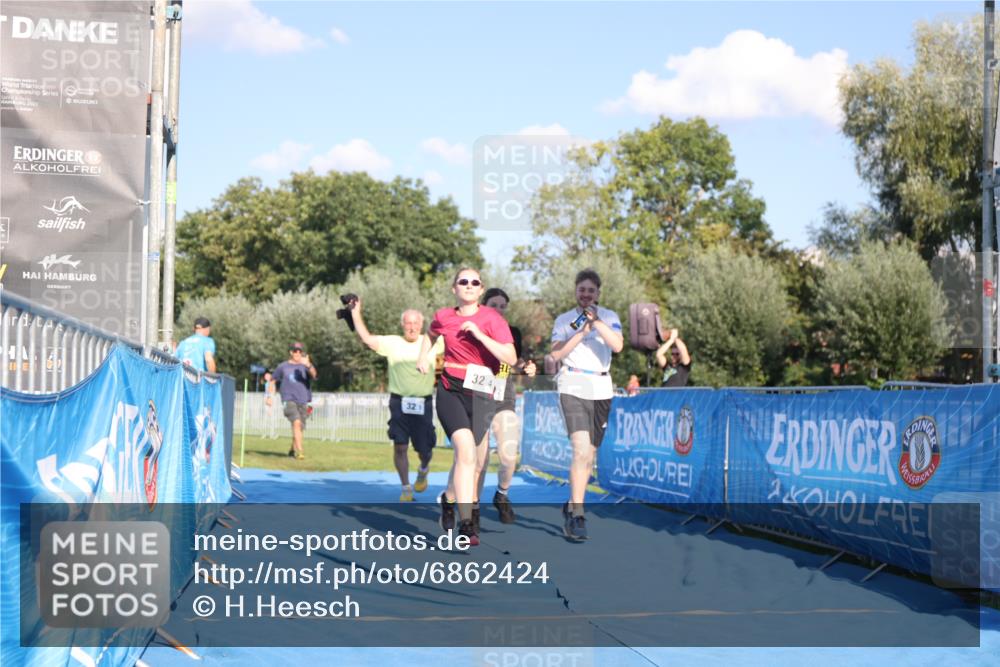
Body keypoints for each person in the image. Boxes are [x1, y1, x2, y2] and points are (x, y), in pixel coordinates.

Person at [417, 268, 516, 546]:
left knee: (473, 460)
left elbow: (510, 356)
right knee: (465, 452)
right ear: (454, 289)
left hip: (483, 393)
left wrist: (480, 336)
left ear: (481, 289)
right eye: (464, 282)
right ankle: (467, 524)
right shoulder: (444, 316)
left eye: (475, 282)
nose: (469, 285)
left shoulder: (492, 319)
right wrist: (425, 356)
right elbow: (430, 334)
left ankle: (448, 499)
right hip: (451, 389)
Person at [549, 268, 623, 541]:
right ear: (575, 291)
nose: (586, 294)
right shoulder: (565, 320)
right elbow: (556, 353)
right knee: (580, 450)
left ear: (598, 293)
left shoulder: (611, 317)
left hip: (601, 387)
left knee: (589, 455)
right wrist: (581, 331)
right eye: (582, 290)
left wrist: (597, 322)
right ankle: (579, 514)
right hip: (573, 384)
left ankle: (571, 504)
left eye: (591, 290)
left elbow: (618, 346)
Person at [349, 297, 444, 502]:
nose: (411, 327)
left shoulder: (433, 342)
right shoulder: (392, 342)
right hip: (399, 402)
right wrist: (356, 313)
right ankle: (406, 487)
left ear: (421, 325)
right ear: (403, 325)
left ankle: (423, 469)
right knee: (400, 445)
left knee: (425, 449)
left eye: (415, 323)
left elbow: (457, 342)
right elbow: (367, 338)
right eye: (408, 323)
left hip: (423, 403)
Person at [475, 288, 536, 525]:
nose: (498, 310)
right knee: (479, 462)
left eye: (503, 306)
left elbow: (515, 363)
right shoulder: (473, 329)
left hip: (504, 395)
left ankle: (501, 494)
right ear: (484, 305)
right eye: (494, 305)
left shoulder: (513, 333)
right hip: (477, 396)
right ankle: (473, 509)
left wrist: (525, 368)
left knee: (509, 455)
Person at [266, 342, 318, 460]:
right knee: (296, 422)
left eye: (300, 351)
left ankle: (292, 450)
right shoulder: (283, 366)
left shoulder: (305, 366)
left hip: (303, 400)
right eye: (295, 351)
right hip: (288, 399)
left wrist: (309, 365)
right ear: (291, 352)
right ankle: (300, 452)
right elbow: (273, 380)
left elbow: (314, 375)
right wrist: (269, 396)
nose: (298, 353)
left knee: (299, 428)